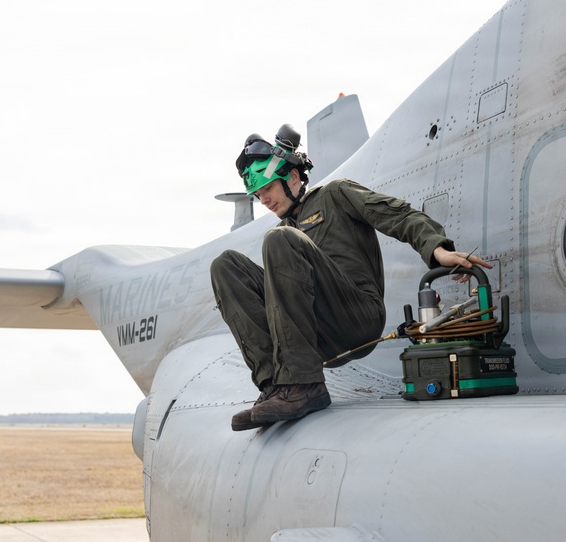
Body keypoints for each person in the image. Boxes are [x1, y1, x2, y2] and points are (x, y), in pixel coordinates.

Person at [210, 125, 491, 432]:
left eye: (268, 190)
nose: (263, 200)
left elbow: (395, 214)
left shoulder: (334, 195)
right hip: (315, 332)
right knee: (226, 267)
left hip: (356, 316)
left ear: (292, 178)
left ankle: (304, 386)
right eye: (258, 194)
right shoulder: (286, 231)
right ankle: (276, 386)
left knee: (279, 239)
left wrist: (437, 249)